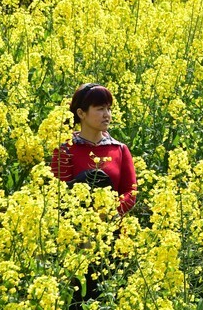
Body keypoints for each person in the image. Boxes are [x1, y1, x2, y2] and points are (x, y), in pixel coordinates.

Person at [50, 82, 137, 216]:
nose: (106, 114)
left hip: (113, 230)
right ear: (81, 113)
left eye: (108, 109)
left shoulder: (120, 149)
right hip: (74, 230)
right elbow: (58, 194)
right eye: (100, 109)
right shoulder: (65, 150)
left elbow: (131, 192)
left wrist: (109, 213)